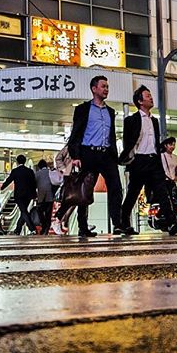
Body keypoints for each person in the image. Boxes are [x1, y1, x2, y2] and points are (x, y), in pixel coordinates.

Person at [67, 75, 124, 237]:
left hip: (107, 155)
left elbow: (111, 135)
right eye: (103, 86)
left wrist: (115, 154)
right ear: (94, 89)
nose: (106, 89)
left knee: (116, 188)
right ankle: (82, 226)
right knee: (85, 191)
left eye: (107, 86)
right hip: (88, 154)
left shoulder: (110, 112)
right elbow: (75, 134)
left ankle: (117, 224)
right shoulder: (83, 109)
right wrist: (75, 155)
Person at [119, 85, 177, 236]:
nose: (151, 98)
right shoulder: (131, 120)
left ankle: (171, 222)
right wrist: (128, 161)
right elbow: (128, 143)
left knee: (162, 191)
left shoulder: (155, 121)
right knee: (133, 193)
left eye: (151, 95)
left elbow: (154, 142)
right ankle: (123, 223)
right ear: (139, 101)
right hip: (139, 161)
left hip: (154, 161)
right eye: (147, 96)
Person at [0, 154, 37, 235]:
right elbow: (34, 183)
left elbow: (9, 180)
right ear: (25, 161)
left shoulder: (15, 171)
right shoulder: (30, 171)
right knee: (24, 211)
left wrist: (2, 187)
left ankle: (32, 229)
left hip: (19, 195)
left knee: (24, 211)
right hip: (28, 195)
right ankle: (18, 229)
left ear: (17, 162)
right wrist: (34, 195)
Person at [160, 136, 177, 208]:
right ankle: (161, 216)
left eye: (174, 144)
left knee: (175, 202)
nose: (173, 146)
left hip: (174, 182)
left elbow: (176, 170)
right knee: (167, 202)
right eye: (170, 144)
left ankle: (174, 218)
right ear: (165, 145)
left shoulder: (176, 157)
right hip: (165, 182)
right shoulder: (162, 156)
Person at [35, 159, 55, 235]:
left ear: (39, 167)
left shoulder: (37, 174)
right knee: (48, 213)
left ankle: (44, 225)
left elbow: (34, 185)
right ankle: (46, 228)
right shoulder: (51, 172)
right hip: (50, 196)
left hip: (41, 196)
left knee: (39, 210)